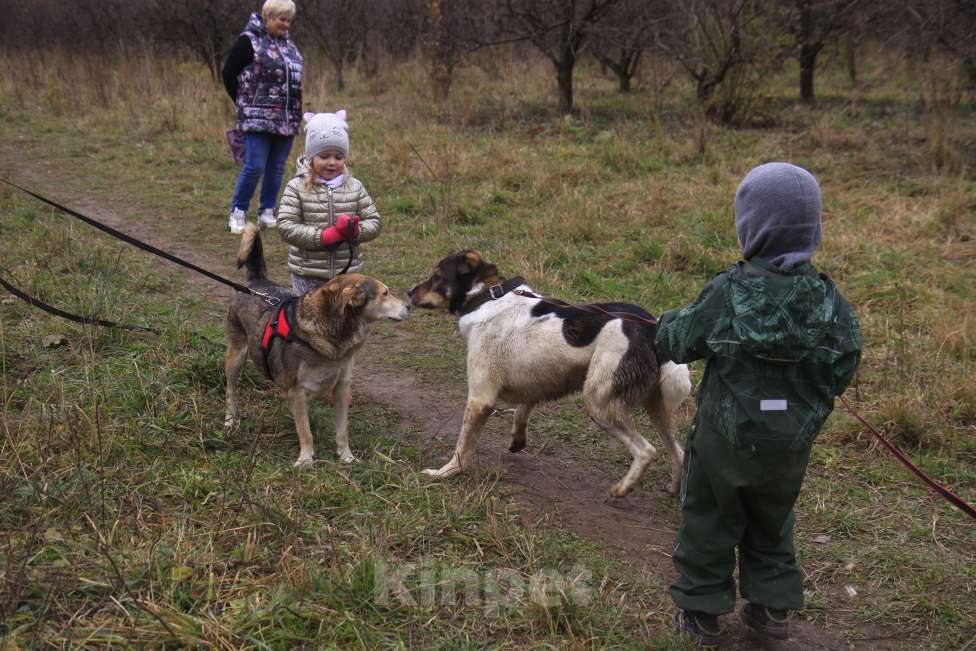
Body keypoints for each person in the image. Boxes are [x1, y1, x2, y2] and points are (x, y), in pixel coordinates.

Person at [654, 162, 862, 648]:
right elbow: (846, 358)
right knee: (774, 517)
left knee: (709, 515)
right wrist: (812, 398)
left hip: (724, 436)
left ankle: (702, 614)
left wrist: (663, 325)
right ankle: (770, 611)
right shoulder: (831, 301)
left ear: (751, 228)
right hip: (790, 441)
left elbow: (681, 341)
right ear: (812, 230)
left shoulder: (729, 292)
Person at [277, 109, 383, 295]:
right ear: (311, 157)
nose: (332, 162)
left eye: (338, 157)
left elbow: (374, 221)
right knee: (308, 321)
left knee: (345, 321)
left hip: (348, 274)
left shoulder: (354, 187)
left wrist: (356, 231)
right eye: (324, 157)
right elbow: (286, 226)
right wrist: (323, 237)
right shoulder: (296, 187)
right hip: (308, 274)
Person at [221, 0, 303, 234]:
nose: (285, 24)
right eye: (281, 19)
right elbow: (229, 73)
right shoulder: (249, 40)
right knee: (255, 165)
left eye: (288, 20)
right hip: (256, 117)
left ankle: (267, 211)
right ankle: (238, 211)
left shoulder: (288, 45)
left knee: (276, 168)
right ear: (268, 16)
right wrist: (244, 102)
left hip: (286, 118)